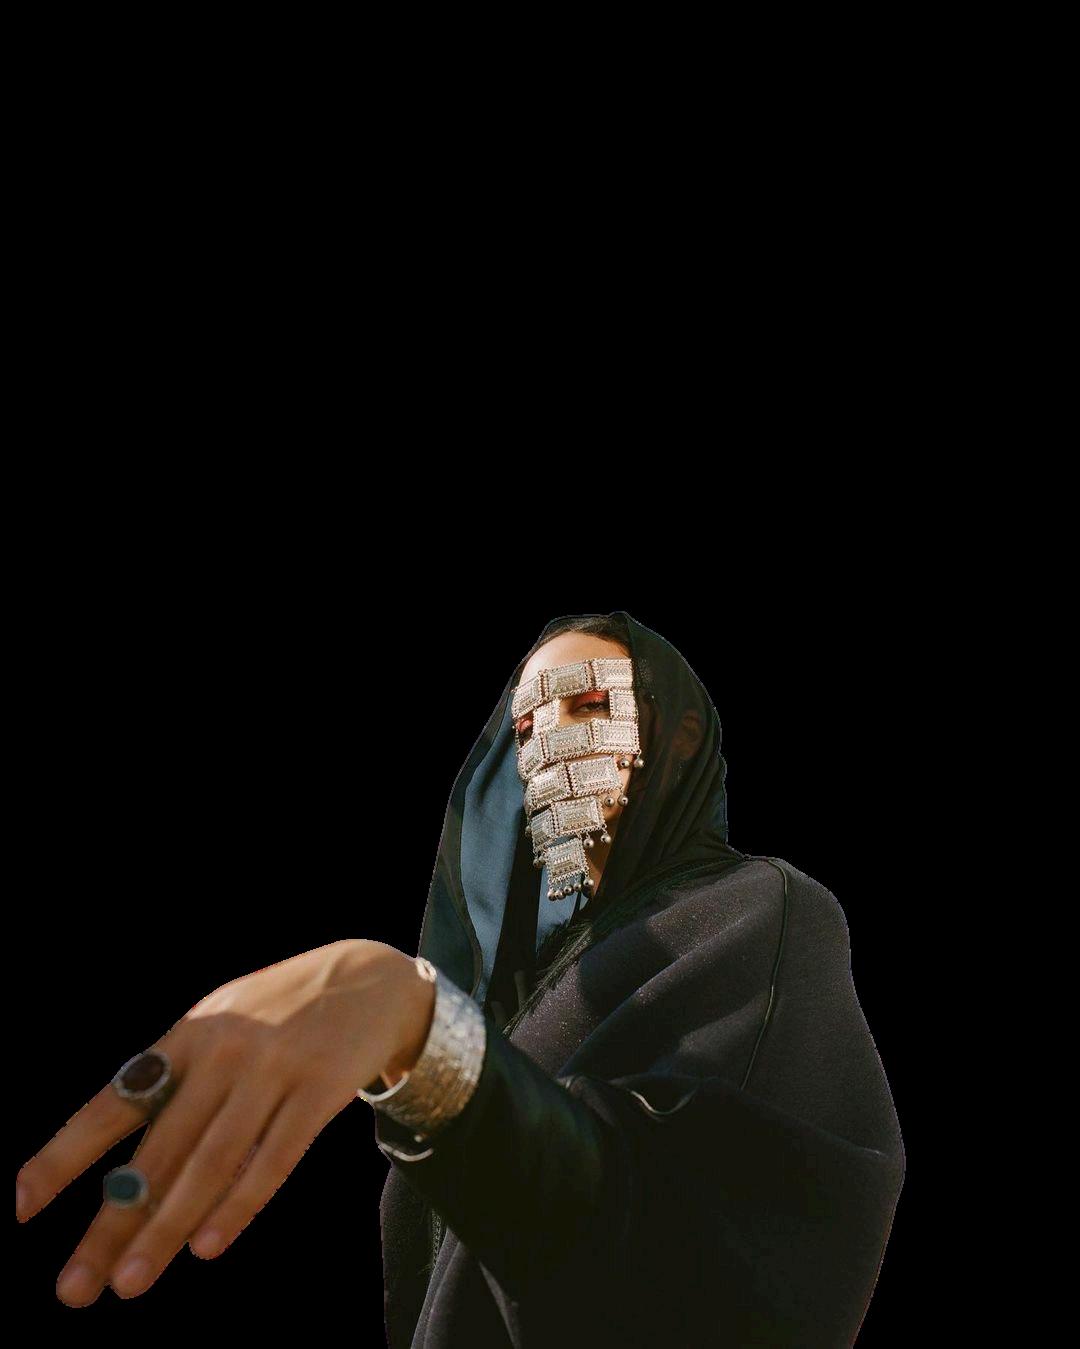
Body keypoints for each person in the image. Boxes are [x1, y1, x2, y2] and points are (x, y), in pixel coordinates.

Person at [363, 610, 906, 1346]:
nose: (548, 743)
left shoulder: (755, 913)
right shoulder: (530, 983)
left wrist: (428, 1042)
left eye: (587, 703)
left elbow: (670, 1218)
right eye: (524, 728)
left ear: (679, 735)